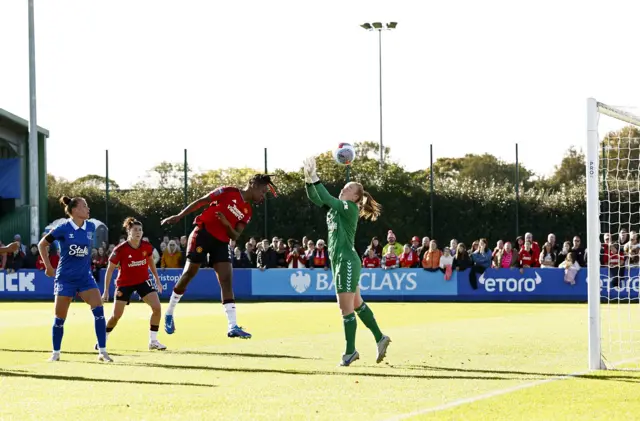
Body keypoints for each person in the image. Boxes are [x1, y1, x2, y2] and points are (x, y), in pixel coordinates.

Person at [160, 174, 277, 338]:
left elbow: (235, 235)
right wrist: (179, 216)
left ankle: (233, 326)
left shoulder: (247, 211)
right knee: (189, 273)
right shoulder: (228, 191)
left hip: (221, 242)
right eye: (263, 191)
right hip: (203, 233)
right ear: (254, 185)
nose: (262, 196)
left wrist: (226, 224)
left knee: (226, 280)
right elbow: (202, 201)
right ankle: (170, 312)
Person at [303, 156, 390, 367]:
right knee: (356, 303)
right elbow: (317, 198)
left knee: (345, 308)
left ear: (356, 197)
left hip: (346, 260)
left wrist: (315, 177)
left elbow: (327, 196)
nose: (343, 188)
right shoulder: (336, 209)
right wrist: (307, 180)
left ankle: (350, 352)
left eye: (348, 187)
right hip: (340, 260)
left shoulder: (348, 208)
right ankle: (380, 338)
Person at [38, 196, 112, 362]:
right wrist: (49, 267)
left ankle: (103, 351)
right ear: (75, 210)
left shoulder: (91, 226)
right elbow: (43, 244)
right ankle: (56, 353)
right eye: (84, 206)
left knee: (99, 310)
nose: (88, 209)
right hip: (65, 279)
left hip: (85, 278)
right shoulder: (63, 227)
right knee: (59, 318)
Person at [101, 217, 166, 350]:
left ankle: (153, 341)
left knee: (157, 308)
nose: (138, 232)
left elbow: (150, 262)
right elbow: (110, 269)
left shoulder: (147, 246)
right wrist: (106, 290)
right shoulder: (120, 249)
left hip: (143, 281)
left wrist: (157, 280)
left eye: (140, 230)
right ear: (129, 232)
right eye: (135, 230)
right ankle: (103, 337)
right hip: (124, 284)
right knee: (116, 316)